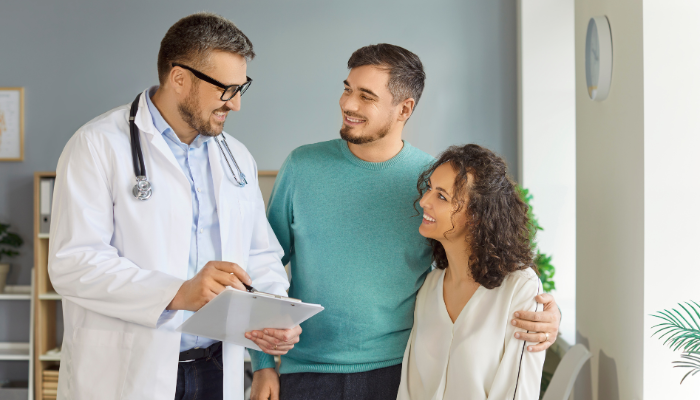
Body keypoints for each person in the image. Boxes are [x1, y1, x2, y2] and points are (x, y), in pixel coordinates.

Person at [249, 44, 560, 400]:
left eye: (366, 96)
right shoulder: (301, 167)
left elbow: (477, 262)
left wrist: (543, 313)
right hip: (306, 373)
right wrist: (262, 364)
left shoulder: (433, 182)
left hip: (399, 374)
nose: (348, 104)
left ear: (404, 108)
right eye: (348, 89)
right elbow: (261, 265)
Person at [48, 13, 301, 400]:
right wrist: (178, 293)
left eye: (240, 88)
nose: (236, 105)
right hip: (131, 373)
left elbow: (259, 253)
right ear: (179, 78)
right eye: (225, 90)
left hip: (217, 368)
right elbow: (74, 263)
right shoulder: (96, 145)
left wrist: (274, 314)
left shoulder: (235, 156)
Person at [397, 144, 545, 400]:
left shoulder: (520, 288)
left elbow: (518, 392)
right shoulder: (430, 285)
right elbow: (410, 389)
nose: (424, 201)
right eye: (429, 189)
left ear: (477, 215)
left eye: (441, 197)